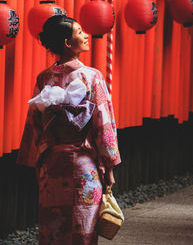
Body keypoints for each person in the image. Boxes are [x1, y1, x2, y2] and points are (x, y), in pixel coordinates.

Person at [17, 14, 121, 245]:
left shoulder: (44, 77)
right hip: (84, 165)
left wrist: (36, 159)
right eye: (80, 32)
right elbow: (103, 124)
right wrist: (109, 165)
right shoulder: (92, 77)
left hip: (51, 164)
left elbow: (34, 122)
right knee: (81, 230)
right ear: (67, 43)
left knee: (53, 229)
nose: (85, 35)